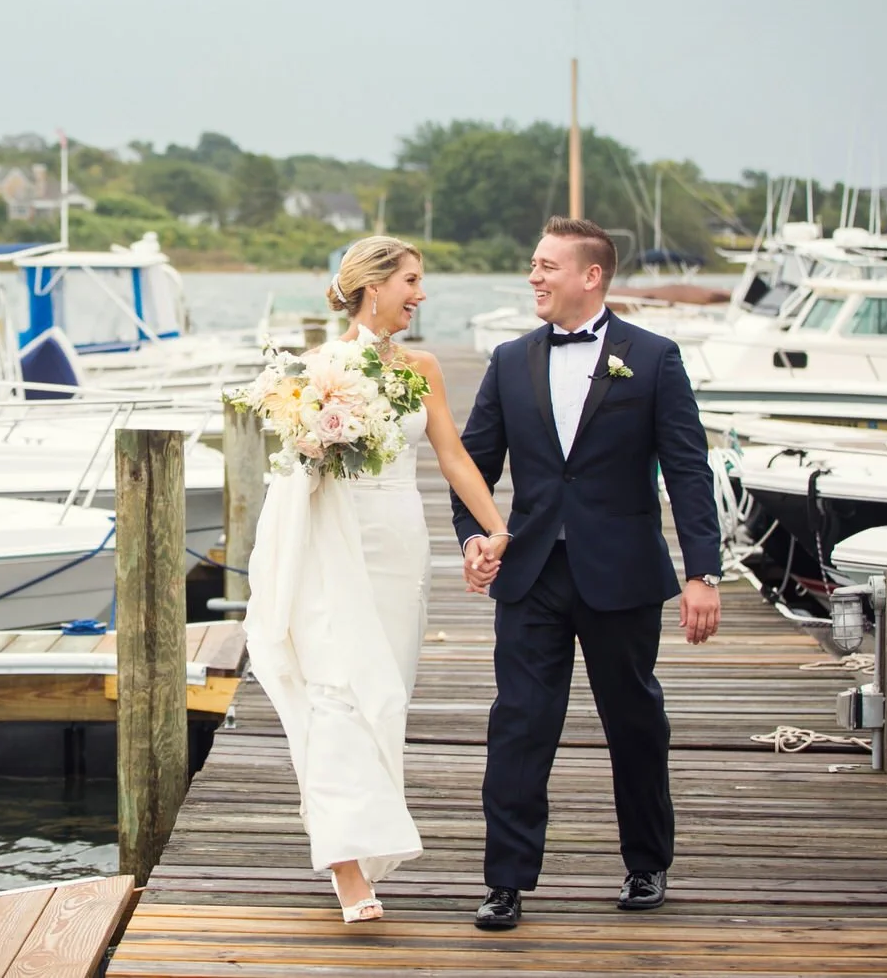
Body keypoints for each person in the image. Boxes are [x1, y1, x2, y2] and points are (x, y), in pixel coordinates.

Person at [451, 216, 722, 931]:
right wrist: (475, 536)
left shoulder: (654, 357)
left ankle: (646, 864)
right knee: (519, 723)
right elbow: (472, 464)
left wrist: (704, 572)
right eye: (533, 264)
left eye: (546, 265)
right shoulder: (510, 359)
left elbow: (689, 471)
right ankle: (506, 881)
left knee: (634, 719)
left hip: (623, 573)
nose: (534, 276)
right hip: (532, 570)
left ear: (590, 276)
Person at [244, 235, 508, 924]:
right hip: (334, 540)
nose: (421, 295)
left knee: (384, 694)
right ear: (373, 285)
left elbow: (452, 455)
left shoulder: (423, 367)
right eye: (412, 281)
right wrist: (316, 430)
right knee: (337, 690)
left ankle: (354, 829)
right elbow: (298, 466)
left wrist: (495, 526)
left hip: (401, 540)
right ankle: (347, 864)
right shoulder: (313, 368)